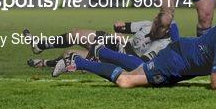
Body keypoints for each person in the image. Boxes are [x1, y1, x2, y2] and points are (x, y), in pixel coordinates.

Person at [52, 2, 216, 90]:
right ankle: (78, 61)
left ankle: (97, 53)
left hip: (184, 62)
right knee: (126, 81)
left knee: (137, 69)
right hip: (176, 61)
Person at [25, 18, 180, 68]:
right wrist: (119, 27)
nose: (153, 26)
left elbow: (140, 65)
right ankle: (39, 45)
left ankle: (45, 63)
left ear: (166, 31)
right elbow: (123, 26)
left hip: (121, 61)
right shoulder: (148, 24)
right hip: (120, 44)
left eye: (158, 26)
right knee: (76, 34)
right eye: (155, 22)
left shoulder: (162, 45)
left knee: (69, 54)